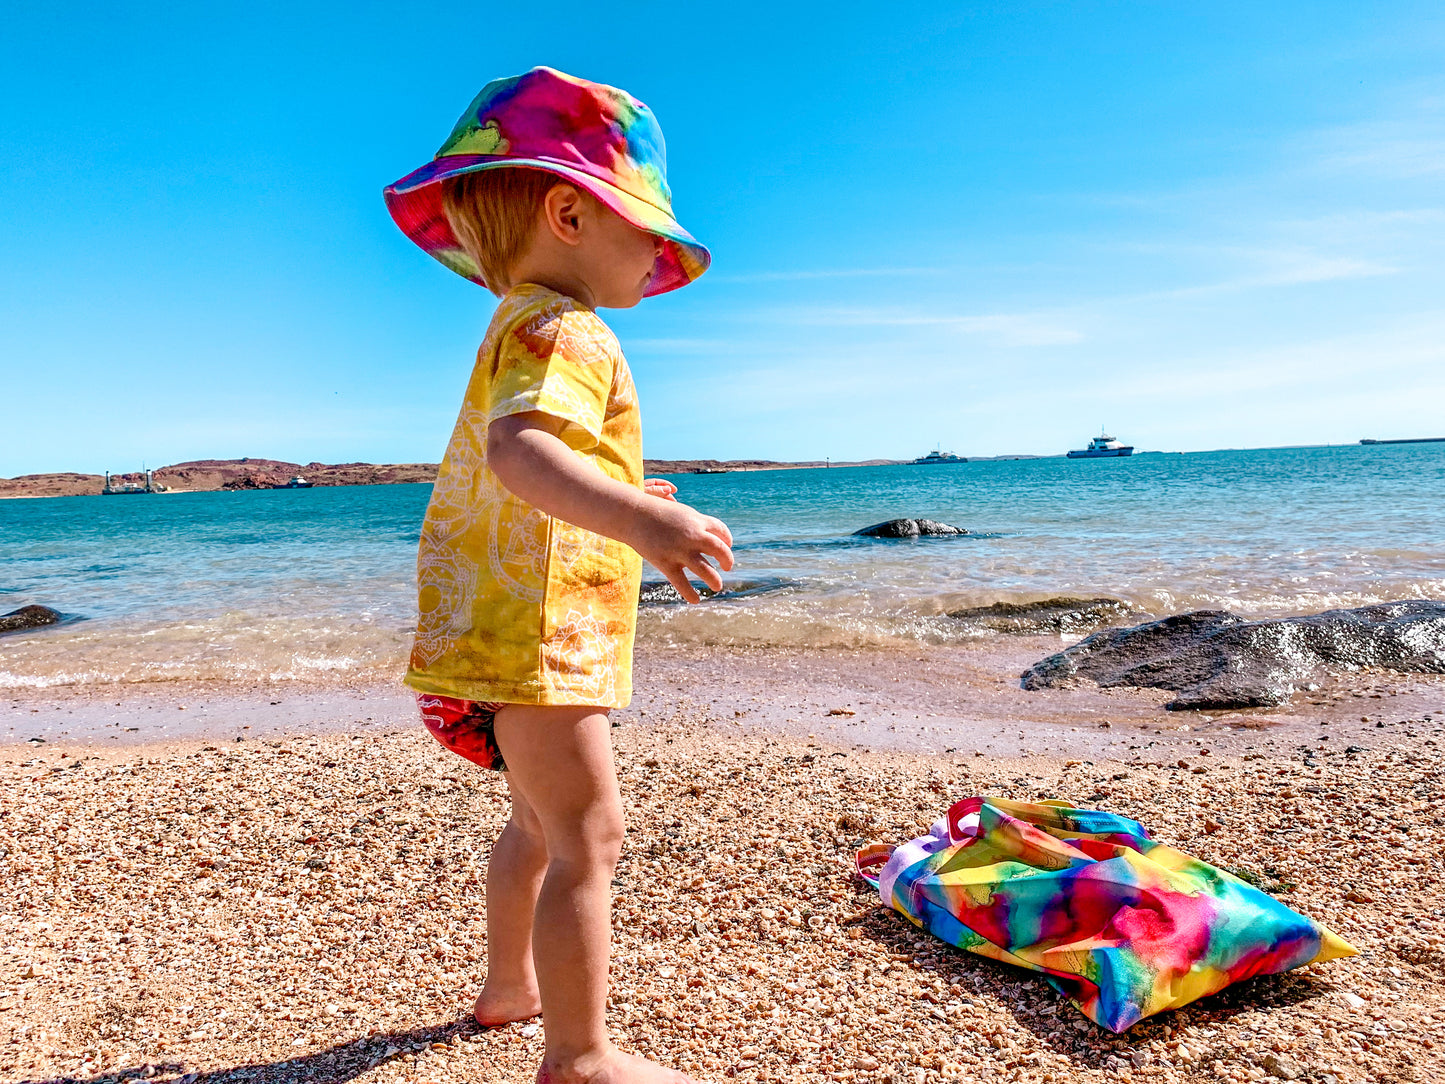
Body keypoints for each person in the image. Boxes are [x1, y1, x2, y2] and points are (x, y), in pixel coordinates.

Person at [383, 67, 732, 1084]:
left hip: (489, 634)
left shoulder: (519, 320)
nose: (657, 252)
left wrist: (625, 487)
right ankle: (579, 1055)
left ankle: (508, 986)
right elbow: (522, 457)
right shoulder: (567, 326)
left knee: (533, 826)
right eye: (645, 227)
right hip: (541, 644)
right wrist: (645, 520)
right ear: (570, 210)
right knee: (589, 837)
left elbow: (539, 459)